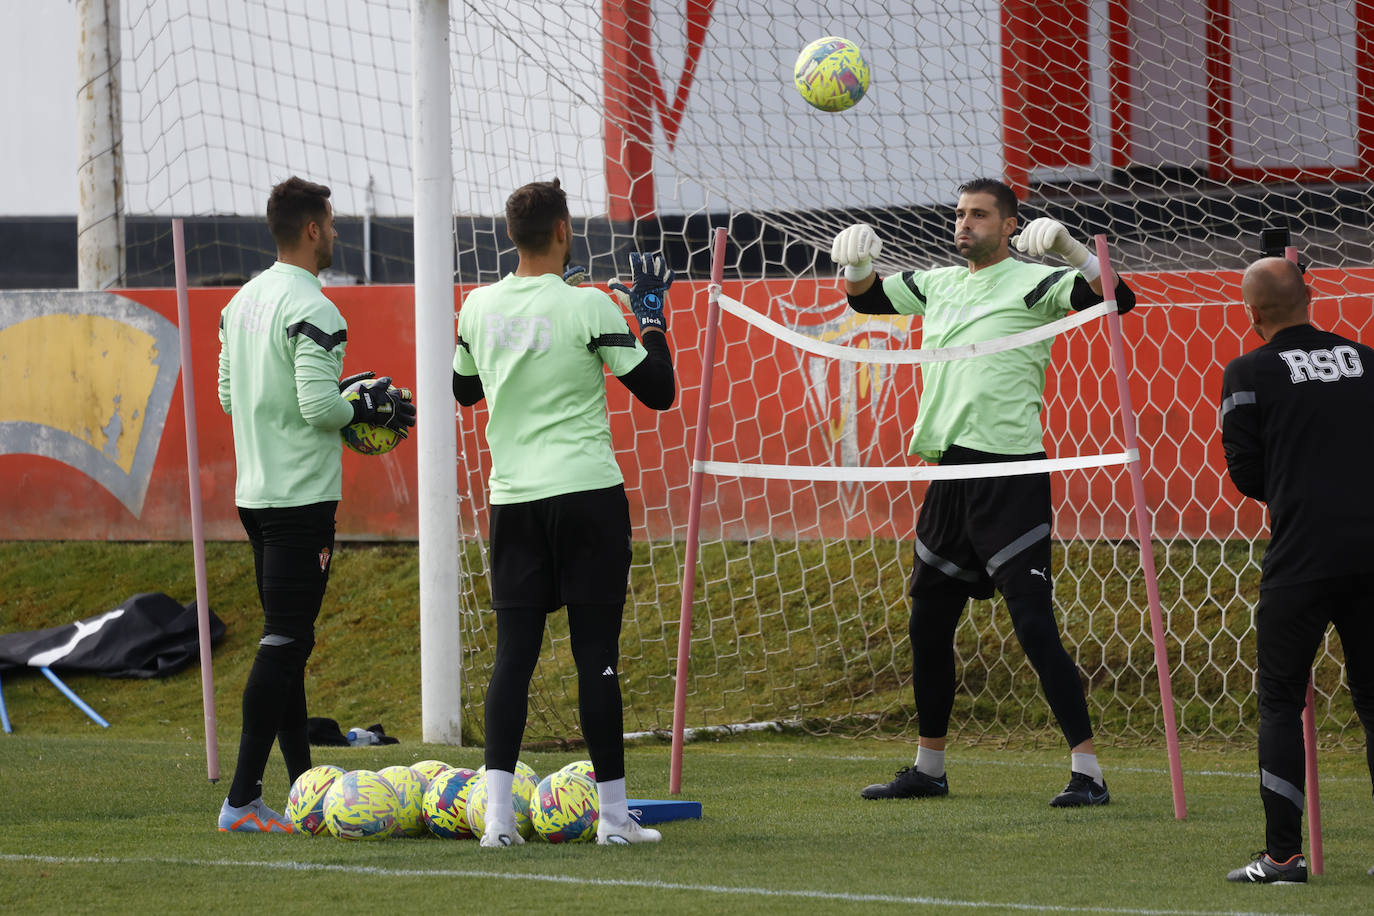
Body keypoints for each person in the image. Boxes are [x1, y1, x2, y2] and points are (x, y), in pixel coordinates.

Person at [831, 178, 1137, 807]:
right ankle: (929, 769)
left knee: (1032, 623)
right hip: (948, 473)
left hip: (1009, 472)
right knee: (928, 622)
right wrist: (856, 264)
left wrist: (1076, 253)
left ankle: (1089, 773)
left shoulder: (1037, 282)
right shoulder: (938, 281)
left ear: (1009, 224)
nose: (964, 224)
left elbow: (1119, 297)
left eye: (979, 215)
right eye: (960, 214)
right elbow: (864, 299)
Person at [453, 178, 676, 847]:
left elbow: (465, 389)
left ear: (511, 235)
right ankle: (613, 821)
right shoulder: (592, 307)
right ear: (563, 231)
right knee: (597, 658)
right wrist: (653, 317)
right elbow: (658, 391)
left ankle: (497, 822)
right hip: (586, 498)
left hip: (515, 501)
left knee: (512, 660)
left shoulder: (476, 307)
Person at [215, 176, 415, 832]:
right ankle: (242, 798)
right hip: (300, 499)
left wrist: (340, 395)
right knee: (283, 641)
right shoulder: (318, 308)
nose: (334, 234)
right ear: (310, 230)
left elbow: (227, 396)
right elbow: (319, 407)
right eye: (329, 224)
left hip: (255, 494)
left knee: (289, 641)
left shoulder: (241, 303)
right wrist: (361, 403)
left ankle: (301, 787)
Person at [1220, 256, 1374, 883]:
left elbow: (1246, 473)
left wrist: (1294, 485)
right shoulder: (1366, 361)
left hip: (1300, 558)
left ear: (1252, 313)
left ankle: (1283, 857)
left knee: (1281, 701)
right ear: (1310, 298)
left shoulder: (1247, 371)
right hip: (1371, 555)